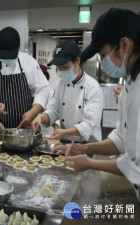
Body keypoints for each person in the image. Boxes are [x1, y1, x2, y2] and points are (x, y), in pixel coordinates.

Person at [53, 8, 140, 191]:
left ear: (124, 45)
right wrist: (84, 149)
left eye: (102, 54)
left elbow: (136, 166)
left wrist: (90, 163)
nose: (102, 61)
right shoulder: (130, 84)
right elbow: (121, 140)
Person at [32, 41, 103, 143]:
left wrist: (64, 132)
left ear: (77, 61)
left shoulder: (93, 87)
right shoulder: (61, 84)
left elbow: (89, 124)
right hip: (65, 144)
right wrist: (41, 117)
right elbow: (54, 111)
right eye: (59, 68)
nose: (62, 71)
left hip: (88, 146)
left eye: (65, 67)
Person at [0, 27, 50, 130]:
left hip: (28, 131)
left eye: (11, 56)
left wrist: (33, 112)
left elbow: (43, 89)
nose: (8, 59)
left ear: (19, 47)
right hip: (2, 132)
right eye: (4, 56)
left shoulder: (29, 62)